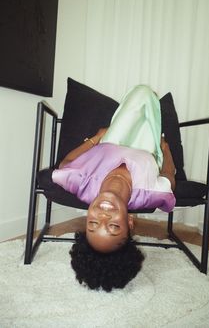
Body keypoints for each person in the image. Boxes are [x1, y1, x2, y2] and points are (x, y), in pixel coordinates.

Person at [52, 85, 176, 292]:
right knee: (146, 96)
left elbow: (64, 164)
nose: (103, 215)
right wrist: (165, 149)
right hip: (147, 149)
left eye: (93, 223)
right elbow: (169, 176)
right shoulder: (151, 193)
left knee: (142, 93)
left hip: (112, 141)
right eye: (113, 227)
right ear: (129, 222)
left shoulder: (81, 183)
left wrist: (96, 138)